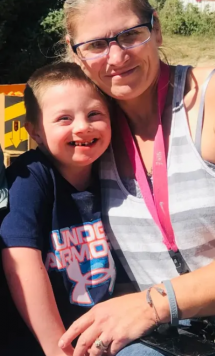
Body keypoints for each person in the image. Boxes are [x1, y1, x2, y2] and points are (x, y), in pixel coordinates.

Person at [57, 0, 215, 356]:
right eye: (95, 44)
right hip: (166, 335)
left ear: (156, 29)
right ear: (75, 52)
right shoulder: (92, 134)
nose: (116, 56)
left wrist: (156, 302)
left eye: (129, 35)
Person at [0, 63, 117, 356]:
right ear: (35, 132)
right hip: (44, 342)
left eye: (94, 114)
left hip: (106, 335)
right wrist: (57, 349)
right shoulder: (30, 177)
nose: (82, 126)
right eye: (64, 119)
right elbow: (21, 263)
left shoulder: (115, 170)